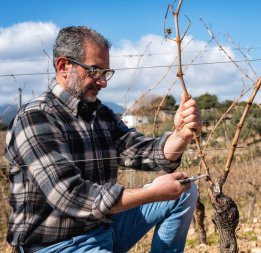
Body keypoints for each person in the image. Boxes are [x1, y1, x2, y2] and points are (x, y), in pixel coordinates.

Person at [6, 26, 201, 253]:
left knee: (185, 191)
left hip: (104, 229)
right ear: (63, 66)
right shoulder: (36, 118)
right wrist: (151, 193)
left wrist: (180, 134)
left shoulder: (102, 115)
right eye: (94, 71)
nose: (103, 82)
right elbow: (72, 197)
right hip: (57, 246)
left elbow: (144, 152)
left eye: (105, 72)